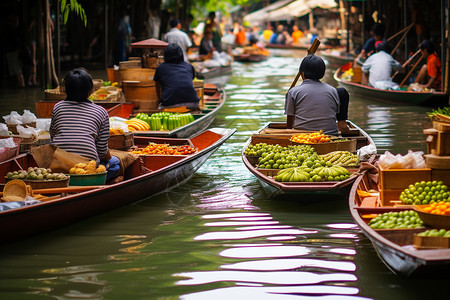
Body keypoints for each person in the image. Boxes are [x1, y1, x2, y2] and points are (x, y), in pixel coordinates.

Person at [50, 68, 120, 181]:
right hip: (86, 167)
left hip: (58, 163)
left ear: (66, 89)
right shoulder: (101, 112)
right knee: (115, 163)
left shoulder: (58, 107)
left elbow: (53, 136)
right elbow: (102, 151)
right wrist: (109, 157)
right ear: (90, 90)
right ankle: (96, 181)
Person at [285, 54, 340, 135]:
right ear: (322, 73)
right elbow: (334, 114)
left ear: (302, 74)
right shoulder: (333, 91)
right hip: (331, 135)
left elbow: (289, 124)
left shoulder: (293, 92)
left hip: (303, 137)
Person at [153, 44, 199, 109]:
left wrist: (159, 99)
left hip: (170, 105)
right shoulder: (189, 66)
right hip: (193, 103)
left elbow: (157, 84)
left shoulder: (161, 67)